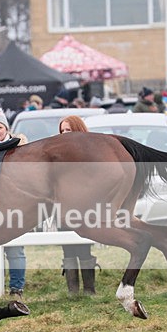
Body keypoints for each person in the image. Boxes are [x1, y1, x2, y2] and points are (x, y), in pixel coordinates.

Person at [0, 108, 27, 298]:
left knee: (15, 250)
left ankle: (17, 288)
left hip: (13, 206)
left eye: (0, 126)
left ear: (6, 129)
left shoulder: (18, 150)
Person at [57, 115, 98, 295]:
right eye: (63, 131)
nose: (65, 134)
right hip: (63, 208)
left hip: (85, 207)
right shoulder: (57, 153)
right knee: (68, 250)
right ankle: (72, 291)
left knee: (84, 249)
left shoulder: (90, 152)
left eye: (69, 130)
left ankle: (89, 290)